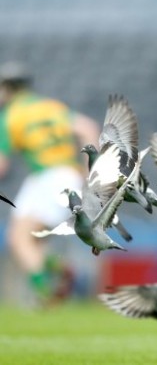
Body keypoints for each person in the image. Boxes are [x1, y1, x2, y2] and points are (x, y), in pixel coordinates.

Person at [0, 61, 100, 306]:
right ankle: (59, 269)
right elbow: (88, 128)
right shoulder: (51, 107)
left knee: (18, 239)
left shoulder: (10, 116)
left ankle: (47, 292)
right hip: (65, 175)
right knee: (32, 239)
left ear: (7, 88)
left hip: (48, 178)